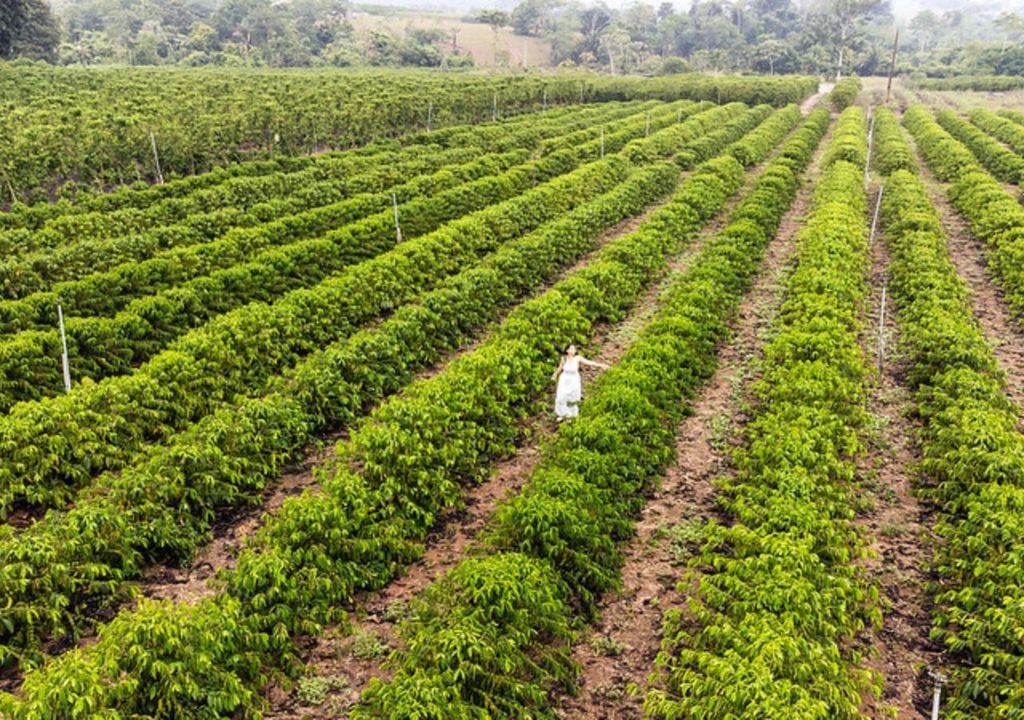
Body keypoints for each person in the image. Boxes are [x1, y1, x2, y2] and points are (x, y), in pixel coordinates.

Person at [552, 343, 609, 420]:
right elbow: (560, 368)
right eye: (571, 348)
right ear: (567, 350)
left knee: (572, 397)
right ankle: (562, 414)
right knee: (561, 397)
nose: (573, 350)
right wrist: (555, 375)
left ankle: (571, 416)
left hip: (574, 379)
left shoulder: (577, 358)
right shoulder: (564, 358)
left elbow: (589, 362)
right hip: (564, 379)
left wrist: (601, 365)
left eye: (574, 349)